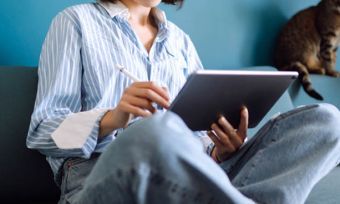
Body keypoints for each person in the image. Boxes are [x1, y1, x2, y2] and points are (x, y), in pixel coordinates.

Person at [26, 0, 340, 203]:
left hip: (198, 173)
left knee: (327, 122)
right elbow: (42, 133)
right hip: (102, 176)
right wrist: (114, 117)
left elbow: (202, 137)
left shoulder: (179, 41)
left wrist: (222, 148)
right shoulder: (75, 22)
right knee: (155, 131)